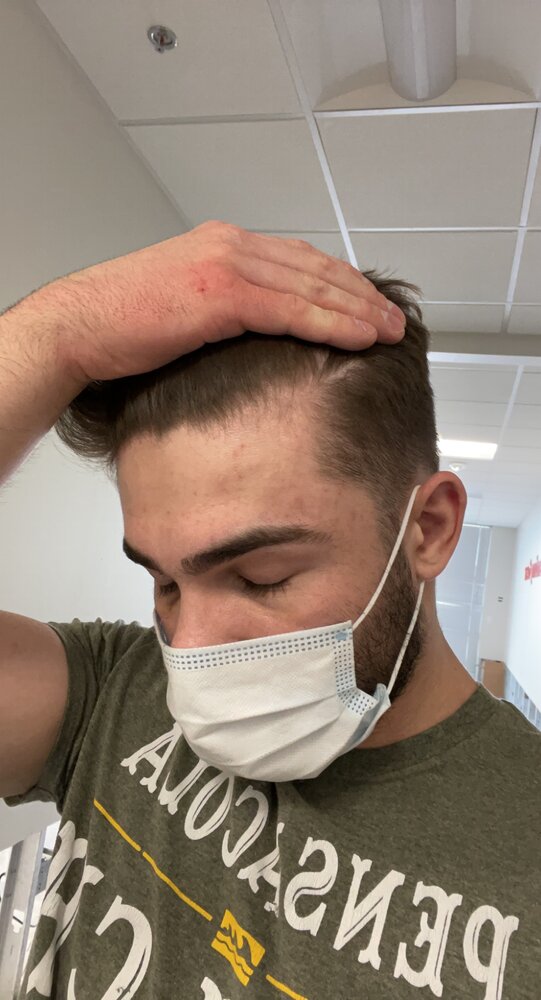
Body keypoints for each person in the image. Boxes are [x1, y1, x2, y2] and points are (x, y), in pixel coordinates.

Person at [0, 221, 538, 999]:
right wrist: (60, 334)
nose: (189, 647)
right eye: (165, 583)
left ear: (427, 530)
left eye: (260, 577)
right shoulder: (109, 692)